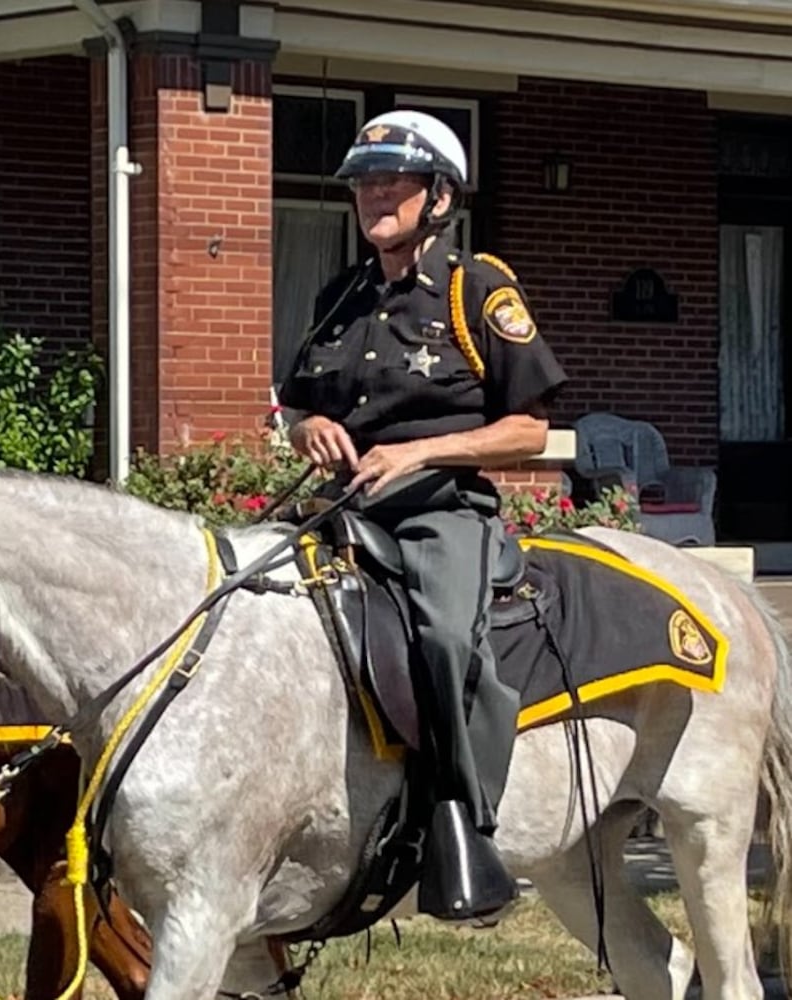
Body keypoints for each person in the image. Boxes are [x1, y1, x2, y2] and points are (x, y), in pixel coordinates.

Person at [278, 110, 568, 920]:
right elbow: (296, 401)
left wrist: (417, 454)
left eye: (390, 182)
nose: (372, 195)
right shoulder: (342, 293)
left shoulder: (478, 288)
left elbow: (530, 428)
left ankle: (465, 824)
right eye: (364, 183)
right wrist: (309, 428)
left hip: (442, 509)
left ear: (439, 196)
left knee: (443, 637)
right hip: (343, 507)